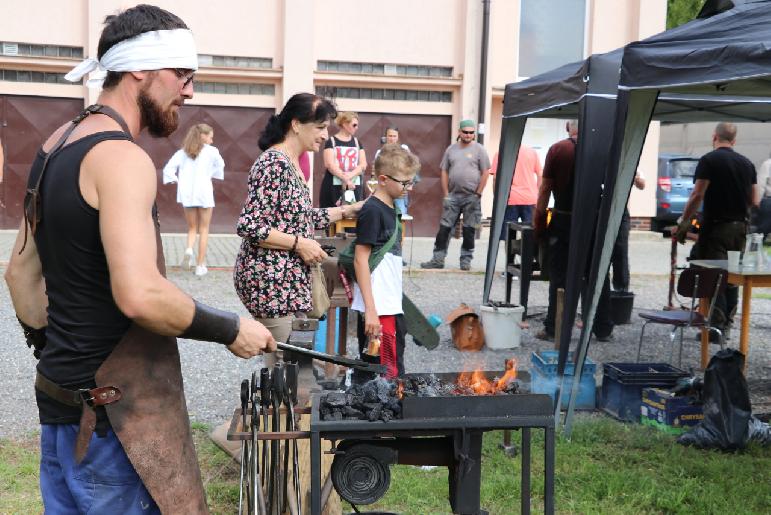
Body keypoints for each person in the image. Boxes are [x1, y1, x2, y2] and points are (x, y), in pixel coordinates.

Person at [3, 5, 275, 513]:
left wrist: (60, 352)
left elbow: (19, 273)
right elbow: (140, 294)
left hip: (60, 406)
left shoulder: (54, 144)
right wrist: (231, 327)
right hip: (115, 427)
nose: (189, 91)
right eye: (182, 75)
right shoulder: (122, 159)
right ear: (140, 69)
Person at [234, 93, 362, 347]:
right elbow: (249, 226)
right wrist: (299, 244)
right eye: (321, 127)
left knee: (294, 363)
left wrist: (349, 210)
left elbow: (298, 218)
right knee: (287, 366)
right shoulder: (274, 163)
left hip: (286, 283)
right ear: (295, 124)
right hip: (270, 284)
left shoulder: (291, 162)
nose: (326, 135)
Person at [533, 120, 614, 342]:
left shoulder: (559, 149)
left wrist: (538, 219)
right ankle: (603, 328)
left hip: (565, 220)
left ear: (569, 128)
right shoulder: (605, 149)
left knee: (560, 276)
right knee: (597, 275)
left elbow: (546, 187)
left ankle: (555, 327)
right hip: (595, 221)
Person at [676, 122, 760, 336]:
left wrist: (684, 222)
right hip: (740, 228)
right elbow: (755, 199)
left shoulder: (709, 160)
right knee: (733, 277)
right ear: (734, 140)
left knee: (714, 276)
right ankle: (728, 326)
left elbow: (697, 194)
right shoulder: (747, 164)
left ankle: (714, 329)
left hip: (716, 229)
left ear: (714, 136)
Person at [353, 144, 420, 378]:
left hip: (389, 305)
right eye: (404, 182)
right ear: (383, 179)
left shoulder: (390, 208)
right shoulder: (373, 210)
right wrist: (371, 311)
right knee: (386, 376)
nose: (408, 187)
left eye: (411, 182)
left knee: (392, 370)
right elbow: (361, 260)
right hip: (379, 310)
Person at [420, 119, 491, 271]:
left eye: (471, 132)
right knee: (445, 228)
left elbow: (486, 172)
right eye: (465, 132)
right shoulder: (451, 150)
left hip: (472, 197)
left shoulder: (480, 150)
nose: (468, 135)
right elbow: (444, 171)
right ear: (459, 132)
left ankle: (466, 261)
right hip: (453, 197)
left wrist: (478, 194)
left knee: (469, 229)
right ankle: (438, 259)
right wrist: (446, 194)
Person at [163, 123, 224, 276]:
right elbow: (221, 165)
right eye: (210, 137)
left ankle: (189, 250)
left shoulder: (182, 152)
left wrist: (176, 181)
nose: (212, 140)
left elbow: (168, 169)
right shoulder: (212, 152)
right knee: (204, 230)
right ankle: (200, 265)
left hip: (187, 194)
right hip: (204, 193)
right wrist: (211, 174)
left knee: (192, 228)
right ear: (202, 136)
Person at [490, 144, 542, 239]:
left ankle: (510, 253)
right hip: (529, 198)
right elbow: (540, 175)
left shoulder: (501, 153)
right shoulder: (532, 153)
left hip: (509, 199)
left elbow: (495, 179)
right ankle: (528, 253)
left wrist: (497, 199)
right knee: (530, 233)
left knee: (508, 234)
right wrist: (537, 194)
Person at [320, 111, 367, 207]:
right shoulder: (331, 142)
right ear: (345, 124)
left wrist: (349, 176)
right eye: (354, 125)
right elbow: (329, 164)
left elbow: (363, 164)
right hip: (334, 188)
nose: (356, 128)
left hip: (354, 187)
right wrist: (345, 178)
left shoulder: (357, 142)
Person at [610, 173, 646, 291]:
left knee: (621, 251)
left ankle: (621, 290)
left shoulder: (628, 161)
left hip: (621, 210)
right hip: (601, 208)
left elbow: (642, 185)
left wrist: (635, 178)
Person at [374, 126, 412, 216]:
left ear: (398, 137)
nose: (392, 138)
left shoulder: (404, 149)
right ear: (386, 137)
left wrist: (409, 183)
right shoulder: (379, 152)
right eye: (390, 136)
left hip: (399, 187)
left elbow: (410, 167)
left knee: (401, 215)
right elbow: (377, 172)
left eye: (394, 136)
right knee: (384, 214)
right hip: (385, 189)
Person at [754, 151, 771, 239]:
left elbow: (761, 184)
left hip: (769, 200)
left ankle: (753, 249)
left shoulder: (767, 164)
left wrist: (757, 200)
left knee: (762, 230)